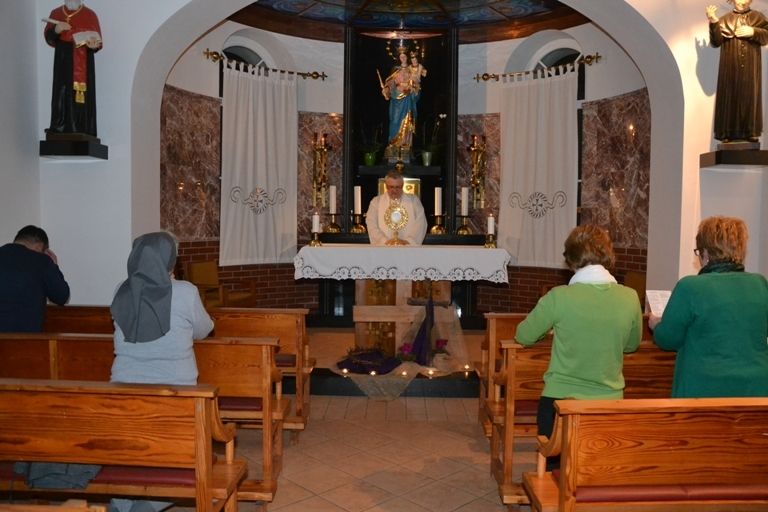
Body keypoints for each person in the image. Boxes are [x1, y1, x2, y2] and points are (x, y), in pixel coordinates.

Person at [109, 231, 213, 512]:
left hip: (123, 393)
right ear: (171, 260)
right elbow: (204, 330)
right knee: (184, 452)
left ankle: (120, 503)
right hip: (176, 395)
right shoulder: (185, 292)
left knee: (128, 450)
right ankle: (152, 503)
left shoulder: (121, 289)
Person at [515, 225, 642, 443]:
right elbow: (631, 345)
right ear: (609, 255)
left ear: (570, 259)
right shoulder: (630, 297)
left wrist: (552, 331)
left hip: (560, 400)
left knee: (556, 460)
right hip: (609, 402)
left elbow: (523, 335)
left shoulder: (559, 297)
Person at [650, 216, 768, 398]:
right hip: (756, 389)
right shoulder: (760, 284)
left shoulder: (690, 287)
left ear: (705, 252)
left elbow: (668, 339)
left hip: (705, 389)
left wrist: (656, 325)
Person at [707, 0, 768, 142]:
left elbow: (765, 36)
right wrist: (714, 21)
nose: (742, 1)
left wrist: (753, 31)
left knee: (750, 96)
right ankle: (726, 132)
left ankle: (750, 131)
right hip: (729, 66)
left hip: (751, 66)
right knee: (729, 95)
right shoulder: (725, 19)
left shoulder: (758, 17)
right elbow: (716, 42)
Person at [44, 0, 102, 136]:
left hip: (83, 62)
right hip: (62, 60)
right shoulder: (56, 13)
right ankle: (59, 127)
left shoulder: (90, 15)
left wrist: (94, 45)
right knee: (61, 92)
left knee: (81, 95)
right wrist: (57, 30)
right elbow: (49, 38)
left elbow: (97, 41)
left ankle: (82, 128)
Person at [0, 225, 69, 332]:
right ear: (39, 246)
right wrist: (54, 266)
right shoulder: (42, 261)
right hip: (26, 338)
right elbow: (61, 296)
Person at [365, 171, 427, 246]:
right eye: (391, 187)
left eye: (398, 187)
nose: (394, 190)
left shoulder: (414, 201)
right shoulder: (376, 202)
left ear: (402, 186)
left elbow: (421, 223)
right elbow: (371, 224)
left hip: (408, 248)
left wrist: (409, 241)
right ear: (386, 186)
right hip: (383, 248)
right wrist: (384, 241)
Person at [381, 47, 422, 151]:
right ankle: (393, 143)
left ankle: (405, 145)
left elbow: (417, 85)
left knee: (407, 121)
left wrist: (414, 89)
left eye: (404, 56)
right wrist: (386, 89)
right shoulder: (396, 69)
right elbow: (390, 83)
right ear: (399, 58)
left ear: (407, 57)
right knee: (395, 120)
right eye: (401, 56)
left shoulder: (411, 70)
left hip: (407, 98)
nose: (403, 58)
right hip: (396, 98)